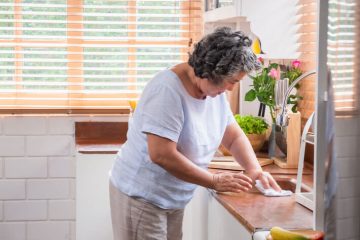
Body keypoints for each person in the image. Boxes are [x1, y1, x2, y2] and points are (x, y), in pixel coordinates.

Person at [109, 27, 281, 240]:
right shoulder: (167, 90)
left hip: (172, 197)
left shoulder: (213, 92)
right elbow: (161, 154)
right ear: (213, 71)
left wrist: (255, 171)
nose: (230, 89)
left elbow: (233, 136)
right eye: (233, 82)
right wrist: (214, 180)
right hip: (143, 196)